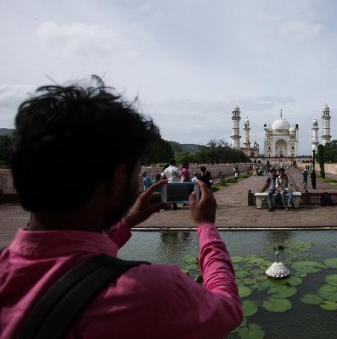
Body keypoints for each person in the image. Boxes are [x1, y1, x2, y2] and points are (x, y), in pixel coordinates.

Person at [0, 76, 242, 338]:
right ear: (118, 179)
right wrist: (206, 226)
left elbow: (68, 258)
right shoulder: (152, 292)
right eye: (136, 171)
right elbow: (226, 309)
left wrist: (127, 222)